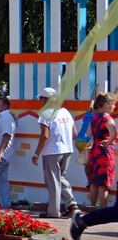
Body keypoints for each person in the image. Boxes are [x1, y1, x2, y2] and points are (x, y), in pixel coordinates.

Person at [32, 87, 79, 219]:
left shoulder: (45, 113)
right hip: (67, 149)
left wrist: (36, 154)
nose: (40, 101)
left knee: (53, 182)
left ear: (46, 99)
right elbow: (74, 133)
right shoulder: (65, 112)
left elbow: (44, 136)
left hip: (52, 151)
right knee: (60, 178)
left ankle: (53, 212)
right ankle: (71, 204)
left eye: (41, 98)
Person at [85, 92, 116, 210]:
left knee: (94, 181)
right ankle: (103, 209)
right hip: (105, 153)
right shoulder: (108, 118)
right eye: (113, 104)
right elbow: (114, 134)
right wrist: (108, 142)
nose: (114, 107)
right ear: (107, 105)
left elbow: (89, 133)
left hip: (95, 151)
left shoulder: (94, 118)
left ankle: (92, 206)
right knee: (103, 182)